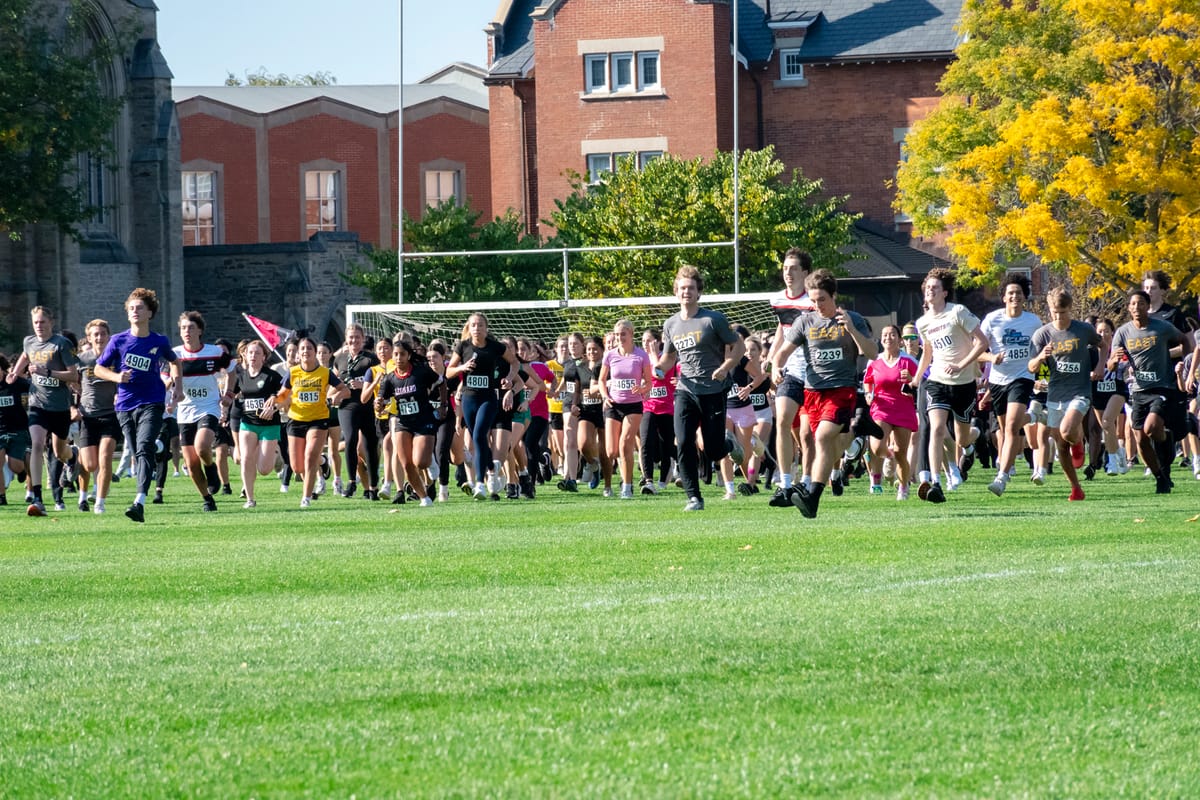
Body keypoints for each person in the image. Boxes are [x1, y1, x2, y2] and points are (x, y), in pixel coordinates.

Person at [770, 269, 877, 518]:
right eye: (813, 300)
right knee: (822, 443)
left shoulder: (852, 319)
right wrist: (776, 367)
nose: (817, 305)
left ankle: (813, 496)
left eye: (822, 300)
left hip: (841, 390)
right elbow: (783, 352)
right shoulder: (805, 321)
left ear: (834, 296)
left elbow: (871, 352)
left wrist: (851, 329)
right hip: (812, 391)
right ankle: (856, 433)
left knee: (821, 438)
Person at [656, 265, 746, 512]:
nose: (687, 292)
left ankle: (728, 444)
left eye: (691, 288)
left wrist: (726, 366)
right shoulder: (671, 324)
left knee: (714, 450)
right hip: (686, 390)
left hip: (713, 391)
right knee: (683, 442)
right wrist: (658, 369)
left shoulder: (713, 319)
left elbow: (739, 347)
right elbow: (668, 358)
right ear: (676, 292)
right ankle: (694, 497)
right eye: (682, 288)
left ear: (699, 293)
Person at [94, 288, 182, 523]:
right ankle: (158, 447)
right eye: (131, 308)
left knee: (142, 449)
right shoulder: (118, 340)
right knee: (137, 451)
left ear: (150, 313)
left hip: (152, 401)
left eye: (139, 308)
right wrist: (117, 377)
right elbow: (98, 368)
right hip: (124, 405)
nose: (135, 311)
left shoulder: (159, 341)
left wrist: (178, 388)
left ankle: (139, 501)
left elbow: (175, 362)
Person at [910, 268, 989, 504]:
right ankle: (935, 482)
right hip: (937, 381)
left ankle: (974, 438)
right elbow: (928, 353)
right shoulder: (922, 322)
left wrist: (961, 364)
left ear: (945, 292)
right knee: (936, 428)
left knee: (962, 438)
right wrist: (916, 379)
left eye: (935, 287)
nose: (930, 290)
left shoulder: (958, 312)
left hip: (964, 383)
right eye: (927, 288)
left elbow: (982, 342)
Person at [1108, 289, 1188, 493]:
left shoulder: (1161, 327)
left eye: (1140, 303)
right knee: (1141, 440)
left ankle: (1167, 446)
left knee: (1151, 428)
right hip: (1138, 390)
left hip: (1162, 387)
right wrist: (1114, 361)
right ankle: (1160, 476)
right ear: (1128, 308)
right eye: (1133, 304)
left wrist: (1184, 366)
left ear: (1147, 305)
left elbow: (1184, 340)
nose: (1136, 307)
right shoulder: (1123, 332)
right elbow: (1110, 365)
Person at [1028, 289, 1103, 502]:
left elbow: (1103, 344)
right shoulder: (1042, 334)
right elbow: (1031, 366)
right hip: (1055, 393)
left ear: (1070, 309)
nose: (1058, 317)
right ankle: (1076, 489)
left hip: (1080, 391)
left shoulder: (1083, 330)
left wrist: (1100, 366)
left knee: (1068, 431)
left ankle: (1078, 443)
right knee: (1060, 445)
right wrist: (1042, 356)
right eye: (1054, 312)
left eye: (1062, 312)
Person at [5, 306, 80, 515]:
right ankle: (37, 497)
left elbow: (73, 376)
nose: (39, 326)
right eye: (36, 322)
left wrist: (47, 371)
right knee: (37, 444)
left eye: (42, 322)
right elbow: (26, 354)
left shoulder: (61, 344)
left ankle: (72, 457)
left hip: (60, 407)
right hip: (38, 403)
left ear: (51, 322)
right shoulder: (29, 341)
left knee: (59, 451)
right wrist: (15, 372)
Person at [978, 273, 1042, 496]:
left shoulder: (1033, 322)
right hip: (997, 381)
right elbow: (977, 349)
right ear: (1004, 297)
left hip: (1023, 377)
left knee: (1013, 427)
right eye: (1010, 293)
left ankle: (1002, 477)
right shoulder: (992, 319)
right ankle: (1033, 416)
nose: (1014, 296)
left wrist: (1042, 373)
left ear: (1025, 297)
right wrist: (990, 358)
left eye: (1019, 293)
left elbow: (1041, 350)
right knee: (1005, 430)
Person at [268, 336, 349, 507]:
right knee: (297, 467)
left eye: (309, 348)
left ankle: (306, 498)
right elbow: (283, 394)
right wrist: (274, 399)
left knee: (309, 458)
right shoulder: (293, 372)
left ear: (314, 352)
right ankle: (323, 461)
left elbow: (345, 390)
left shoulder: (325, 373)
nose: (305, 351)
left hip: (318, 420)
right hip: (296, 420)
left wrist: (336, 397)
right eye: (302, 348)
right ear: (298, 352)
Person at [445, 312, 519, 500]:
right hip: (469, 399)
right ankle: (493, 469)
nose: (477, 328)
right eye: (473, 325)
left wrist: (509, 379)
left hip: (488, 398)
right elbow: (448, 372)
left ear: (486, 328)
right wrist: (462, 368)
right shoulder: (463, 346)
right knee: (479, 441)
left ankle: (480, 484)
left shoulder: (496, 347)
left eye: (480, 325)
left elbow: (515, 363)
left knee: (478, 435)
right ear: (469, 328)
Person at [369, 337, 447, 507]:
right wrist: (379, 404)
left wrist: (443, 405)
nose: (398, 358)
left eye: (402, 354)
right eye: (395, 355)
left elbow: (441, 382)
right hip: (403, 422)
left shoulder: (421, 371)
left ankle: (431, 461)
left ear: (409, 355)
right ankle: (424, 498)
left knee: (421, 462)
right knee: (406, 463)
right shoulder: (389, 378)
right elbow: (381, 399)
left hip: (423, 420)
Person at [766, 248, 815, 506]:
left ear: (805, 273)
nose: (788, 273)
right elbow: (781, 330)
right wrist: (774, 360)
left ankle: (806, 483)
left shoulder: (813, 301)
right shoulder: (777, 300)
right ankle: (785, 484)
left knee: (807, 436)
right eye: (785, 268)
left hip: (815, 374)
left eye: (793, 268)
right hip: (790, 371)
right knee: (783, 421)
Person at [173, 311, 232, 513]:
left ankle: (211, 467)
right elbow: (166, 375)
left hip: (209, 407)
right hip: (185, 412)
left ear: (200, 330)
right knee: (190, 463)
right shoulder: (176, 355)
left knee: (202, 447)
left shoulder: (214, 352)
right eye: (183, 328)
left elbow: (232, 368)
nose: (186, 332)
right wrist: (170, 386)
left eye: (190, 327)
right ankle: (207, 499)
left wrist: (229, 394)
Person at [863, 324, 919, 500]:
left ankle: (903, 487)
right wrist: (868, 393)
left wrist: (911, 380)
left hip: (903, 408)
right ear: (881, 339)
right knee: (877, 447)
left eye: (893, 334)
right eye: (885, 335)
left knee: (902, 453)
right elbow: (868, 380)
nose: (888, 338)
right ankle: (888, 456)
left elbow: (920, 383)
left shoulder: (908, 361)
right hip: (881, 407)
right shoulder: (875, 360)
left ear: (900, 339)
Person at [599, 319, 654, 500]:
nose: (619, 337)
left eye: (623, 334)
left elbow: (649, 382)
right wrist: (605, 396)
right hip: (613, 405)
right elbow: (601, 380)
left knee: (625, 444)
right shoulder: (610, 355)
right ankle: (622, 479)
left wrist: (643, 389)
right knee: (611, 451)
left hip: (633, 405)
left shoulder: (641, 356)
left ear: (631, 334)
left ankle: (627, 486)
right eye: (616, 334)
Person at [227, 339, 284, 508]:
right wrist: (224, 401)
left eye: (257, 353)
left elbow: (285, 395)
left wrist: (275, 403)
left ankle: (276, 455)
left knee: (264, 469)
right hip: (248, 423)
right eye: (250, 352)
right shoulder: (241, 376)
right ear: (245, 355)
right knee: (245, 459)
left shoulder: (271, 376)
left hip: (269, 425)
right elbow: (232, 393)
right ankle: (250, 499)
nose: (253, 356)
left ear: (264, 357)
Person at [75, 319, 120, 513]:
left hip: (110, 415)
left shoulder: (116, 358)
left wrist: (120, 394)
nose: (99, 337)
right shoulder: (82, 359)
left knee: (105, 458)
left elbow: (124, 381)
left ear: (108, 336)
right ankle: (77, 465)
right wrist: (72, 406)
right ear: (89, 338)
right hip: (88, 415)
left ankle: (100, 502)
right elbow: (71, 382)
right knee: (90, 464)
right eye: (95, 334)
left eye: (103, 333)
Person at [334, 324, 381, 499]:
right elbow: (335, 380)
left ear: (362, 338)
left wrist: (364, 385)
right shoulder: (340, 358)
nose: (354, 340)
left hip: (367, 406)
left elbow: (380, 381)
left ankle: (373, 487)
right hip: (347, 405)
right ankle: (352, 481)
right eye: (351, 337)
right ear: (346, 339)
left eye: (357, 337)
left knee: (370, 446)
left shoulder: (371, 359)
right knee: (351, 439)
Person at [0, 354, 31, 507]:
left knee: (15, 466)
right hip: (0, 429)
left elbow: (35, 388)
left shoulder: (15, 382)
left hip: (17, 428)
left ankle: (22, 472)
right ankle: (1, 497)